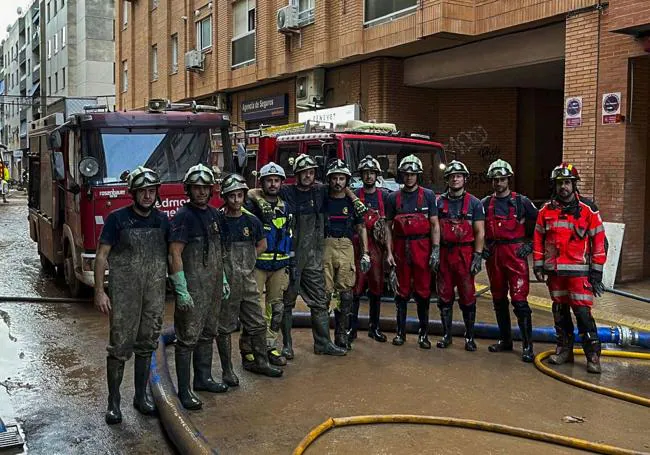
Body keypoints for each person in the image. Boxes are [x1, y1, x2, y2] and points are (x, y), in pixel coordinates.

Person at [248, 154, 367, 357]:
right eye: (303, 173)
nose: (307, 176)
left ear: (315, 175)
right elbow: (252, 191)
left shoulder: (320, 190)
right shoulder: (286, 191)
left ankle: (322, 343)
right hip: (291, 257)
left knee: (320, 301)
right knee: (286, 302)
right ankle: (286, 345)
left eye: (311, 172)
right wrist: (261, 203)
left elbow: (342, 184)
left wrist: (354, 198)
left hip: (314, 257)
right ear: (297, 175)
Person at [94, 166, 169, 424]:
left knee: (147, 342)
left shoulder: (162, 220)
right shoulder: (117, 219)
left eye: (151, 191)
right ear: (133, 193)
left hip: (154, 291)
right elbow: (102, 256)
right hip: (124, 292)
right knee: (120, 346)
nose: (147, 196)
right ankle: (113, 404)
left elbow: (175, 253)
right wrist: (100, 291)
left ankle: (141, 397)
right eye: (142, 192)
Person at [533, 162, 607, 374]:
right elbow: (538, 238)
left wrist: (596, 271)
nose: (563, 187)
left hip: (579, 274)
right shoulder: (545, 211)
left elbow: (599, 241)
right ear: (554, 186)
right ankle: (564, 350)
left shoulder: (588, 210)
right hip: (555, 274)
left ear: (574, 185)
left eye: (567, 182)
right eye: (559, 183)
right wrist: (538, 265)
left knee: (583, 314)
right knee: (560, 312)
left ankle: (593, 356)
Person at [168, 164, 229, 411]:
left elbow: (218, 251)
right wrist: (181, 289)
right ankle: (184, 391)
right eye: (197, 188)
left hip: (212, 285)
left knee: (208, 332)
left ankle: (203, 379)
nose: (202, 192)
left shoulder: (215, 214)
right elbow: (174, 253)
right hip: (193, 285)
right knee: (187, 338)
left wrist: (222, 279)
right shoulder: (183, 216)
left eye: (206, 188)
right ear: (188, 189)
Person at [218, 173, 283, 379]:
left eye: (239, 195)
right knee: (224, 327)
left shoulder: (251, 221)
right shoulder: (218, 220)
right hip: (226, 281)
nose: (236, 200)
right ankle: (228, 370)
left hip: (247, 279)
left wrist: (247, 261)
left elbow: (262, 244)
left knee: (257, 321)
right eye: (231, 196)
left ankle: (261, 362)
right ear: (225, 197)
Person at [481, 159, 538, 362]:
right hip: (494, 255)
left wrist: (531, 245)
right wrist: (482, 249)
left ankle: (527, 346)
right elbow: (476, 228)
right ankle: (505, 340)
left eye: (502, 179)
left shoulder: (522, 202)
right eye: (495, 180)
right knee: (498, 300)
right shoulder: (485, 203)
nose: (498, 183)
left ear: (508, 179)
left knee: (520, 301)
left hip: (515, 255)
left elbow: (542, 223)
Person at [384, 155, 440, 349]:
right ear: (402, 175)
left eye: (412, 174)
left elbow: (434, 225)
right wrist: (389, 252)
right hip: (401, 248)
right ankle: (400, 333)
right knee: (401, 292)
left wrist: (435, 250)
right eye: (406, 174)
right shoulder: (393, 198)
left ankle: (423, 335)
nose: (409, 177)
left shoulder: (429, 196)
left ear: (418, 175)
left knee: (424, 292)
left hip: (422, 249)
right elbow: (387, 227)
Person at [243, 162, 293, 366]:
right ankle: (249, 349)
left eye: (276, 180)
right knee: (253, 310)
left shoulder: (286, 206)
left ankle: (269, 346)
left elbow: (290, 236)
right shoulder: (250, 205)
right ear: (261, 182)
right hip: (258, 265)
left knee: (276, 310)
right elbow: (247, 193)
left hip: (280, 265)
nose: (273, 184)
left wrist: (292, 264)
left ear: (281, 182)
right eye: (268, 180)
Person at [435, 160, 485, 352]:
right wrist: (435, 251)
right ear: (447, 179)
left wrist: (478, 256)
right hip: (445, 253)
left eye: (459, 176)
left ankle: (469, 337)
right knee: (444, 296)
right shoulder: (439, 202)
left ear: (465, 179)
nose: (455, 179)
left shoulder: (474, 203)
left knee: (467, 296)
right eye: (452, 176)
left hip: (465, 254)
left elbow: (480, 232)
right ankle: (447, 335)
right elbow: (435, 228)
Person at [322, 159, 369, 350]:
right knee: (324, 293)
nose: (338, 182)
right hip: (326, 244)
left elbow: (362, 227)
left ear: (346, 180)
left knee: (346, 293)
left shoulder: (353, 202)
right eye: (334, 178)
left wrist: (365, 253)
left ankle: (341, 334)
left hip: (347, 245)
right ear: (329, 179)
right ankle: (323, 339)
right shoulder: (321, 198)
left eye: (341, 178)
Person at [350, 155, 388, 343]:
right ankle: (352, 329)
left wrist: (389, 251)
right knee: (355, 288)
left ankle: (375, 328)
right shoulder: (355, 195)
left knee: (376, 287)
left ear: (377, 175)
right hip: (359, 245)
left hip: (377, 247)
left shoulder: (385, 196)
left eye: (372, 173)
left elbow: (388, 226)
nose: (369, 176)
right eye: (366, 173)